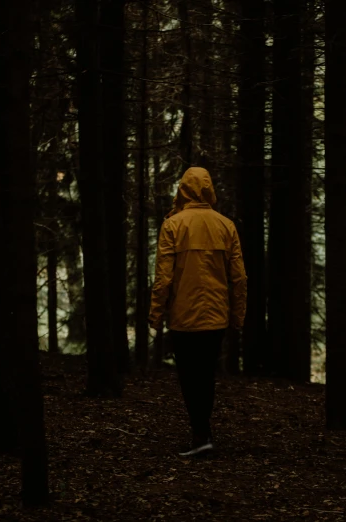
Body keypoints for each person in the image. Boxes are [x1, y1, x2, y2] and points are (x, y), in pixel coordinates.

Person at [149, 167, 247, 457]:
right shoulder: (225, 225)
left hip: (184, 316)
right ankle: (203, 432)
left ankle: (200, 434)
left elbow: (163, 277)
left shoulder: (173, 226)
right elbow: (239, 278)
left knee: (190, 376)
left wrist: (156, 313)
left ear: (183, 189)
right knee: (205, 374)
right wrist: (237, 316)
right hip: (216, 316)